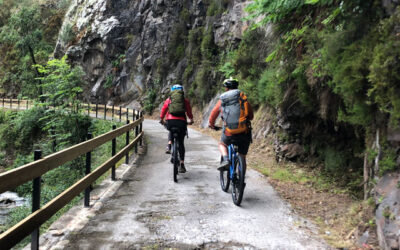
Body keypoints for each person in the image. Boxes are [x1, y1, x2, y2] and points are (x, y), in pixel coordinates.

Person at [208, 77, 254, 170]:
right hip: (244, 132)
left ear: (226, 88)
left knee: (222, 144)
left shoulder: (223, 99)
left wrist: (211, 124)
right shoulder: (242, 98)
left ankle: (225, 159)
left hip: (229, 132)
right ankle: (241, 182)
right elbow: (251, 116)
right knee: (242, 156)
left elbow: (214, 113)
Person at [160, 84, 194, 173]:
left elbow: (164, 109)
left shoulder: (169, 99)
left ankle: (169, 145)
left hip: (170, 121)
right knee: (181, 142)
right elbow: (189, 112)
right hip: (181, 122)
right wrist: (191, 119)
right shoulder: (184, 100)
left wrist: (161, 119)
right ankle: (182, 164)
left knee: (170, 129)